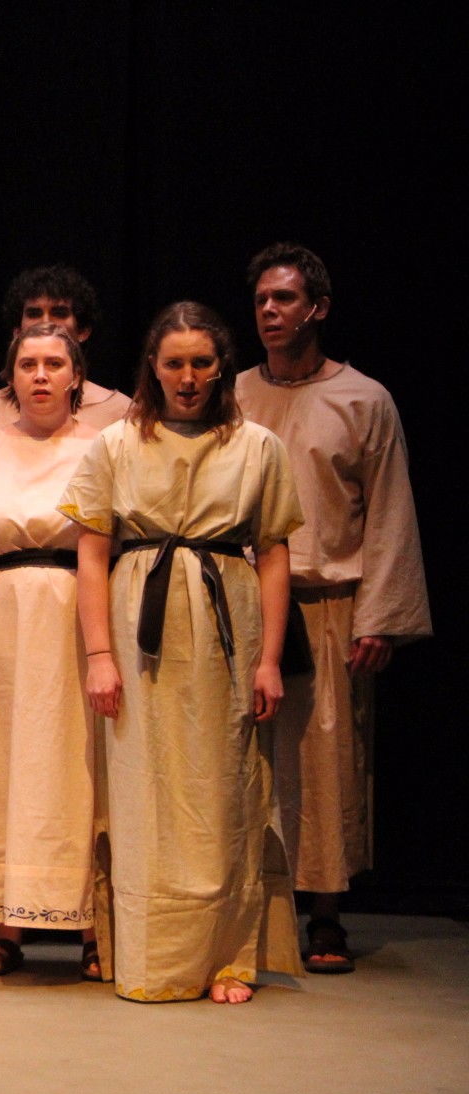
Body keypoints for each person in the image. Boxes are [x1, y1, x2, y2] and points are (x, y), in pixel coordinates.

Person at [60, 301, 305, 1004]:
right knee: (144, 789)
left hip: (228, 625)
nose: (189, 377)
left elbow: (274, 554)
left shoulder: (258, 446)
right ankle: (150, 955)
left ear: (221, 366)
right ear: (154, 367)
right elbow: (92, 552)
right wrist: (99, 655)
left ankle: (227, 958)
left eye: (202, 363)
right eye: (175, 363)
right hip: (141, 626)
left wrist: (269, 660)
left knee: (225, 787)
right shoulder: (115, 444)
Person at [235, 243, 431, 974]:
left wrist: (380, 616)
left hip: (328, 602)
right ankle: (248, 909)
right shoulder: (234, 393)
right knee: (245, 755)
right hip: (246, 600)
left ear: (317, 308)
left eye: (284, 298)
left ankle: (323, 914)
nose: (270, 311)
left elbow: (389, 511)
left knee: (325, 762)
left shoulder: (363, 398)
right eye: (261, 300)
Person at [0, 323, 101, 978]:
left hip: (72, 622)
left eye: (54, 364)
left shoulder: (104, 450)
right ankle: (4, 923)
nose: (40, 375)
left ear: (76, 376)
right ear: (11, 377)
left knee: (72, 769)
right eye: (28, 364)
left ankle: (93, 923)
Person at [0, 265, 132, 478]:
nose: (46, 322)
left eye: (59, 313)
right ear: (17, 331)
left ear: (83, 331)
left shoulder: (119, 412)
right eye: (34, 313)